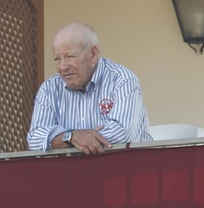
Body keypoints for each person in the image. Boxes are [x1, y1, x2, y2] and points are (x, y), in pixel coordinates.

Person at [26, 21, 151, 155]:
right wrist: (71, 137)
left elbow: (122, 135)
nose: (62, 67)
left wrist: (58, 139)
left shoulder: (122, 80)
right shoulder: (49, 89)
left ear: (93, 54)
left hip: (128, 169)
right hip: (72, 172)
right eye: (57, 59)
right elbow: (34, 140)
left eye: (70, 57)